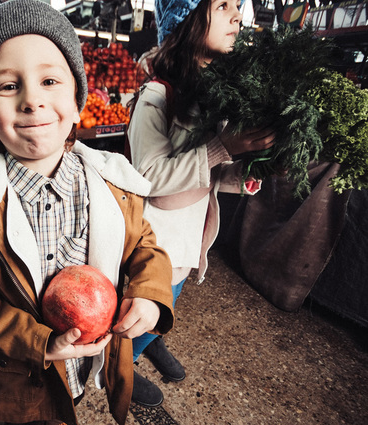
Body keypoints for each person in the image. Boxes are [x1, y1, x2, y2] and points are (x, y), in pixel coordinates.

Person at [0, 1, 175, 424]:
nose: (31, 101)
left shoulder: (114, 184)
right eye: (8, 86)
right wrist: (41, 342)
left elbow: (145, 248)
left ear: (78, 100)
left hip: (86, 360)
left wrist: (151, 296)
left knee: (68, 404)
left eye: (49, 81)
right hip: (18, 370)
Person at [126, 0, 276, 407]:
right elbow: (152, 179)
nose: (237, 16)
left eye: (237, 5)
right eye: (223, 5)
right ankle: (124, 362)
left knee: (171, 298)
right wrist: (220, 149)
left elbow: (204, 172)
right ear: (187, 19)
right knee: (156, 297)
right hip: (155, 237)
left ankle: (151, 340)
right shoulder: (157, 96)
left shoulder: (211, 96)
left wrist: (241, 175)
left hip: (188, 231)